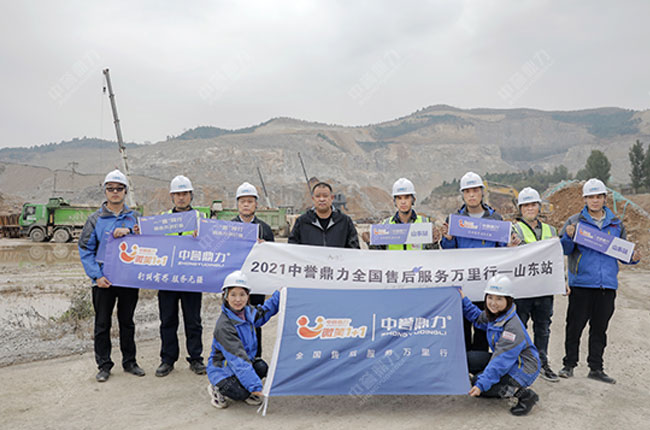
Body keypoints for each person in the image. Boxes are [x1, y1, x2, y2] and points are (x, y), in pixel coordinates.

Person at [558, 178, 641, 383]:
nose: (595, 200)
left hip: (607, 285)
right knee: (574, 327)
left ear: (605, 198)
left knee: (600, 329)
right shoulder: (574, 222)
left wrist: (633, 257)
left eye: (598, 196)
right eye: (591, 197)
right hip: (582, 285)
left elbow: (622, 252)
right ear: (584, 199)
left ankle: (596, 368)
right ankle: (569, 365)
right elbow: (564, 250)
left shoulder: (616, 224)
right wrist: (568, 236)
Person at [440, 172, 518, 352]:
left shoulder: (495, 219)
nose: (472, 195)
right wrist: (449, 239)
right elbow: (449, 252)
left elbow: (501, 251)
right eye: (467, 191)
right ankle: (465, 365)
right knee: (462, 332)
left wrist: (508, 245)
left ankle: (480, 365)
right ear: (463, 194)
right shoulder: (454, 220)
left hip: (487, 287)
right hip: (463, 287)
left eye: (475, 190)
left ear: (482, 192)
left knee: (484, 331)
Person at [79, 169, 145, 382]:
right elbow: (85, 249)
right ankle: (104, 365)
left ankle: (130, 362)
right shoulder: (95, 219)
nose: (115, 192)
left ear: (125, 191)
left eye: (119, 188)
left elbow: (148, 245)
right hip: (103, 281)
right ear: (105, 191)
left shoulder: (136, 218)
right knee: (102, 324)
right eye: (111, 188)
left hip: (127, 280)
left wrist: (137, 233)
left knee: (127, 322)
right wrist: (96, 276)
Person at [460, 275, 541, 416]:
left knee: (479, 382)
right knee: (469, 359)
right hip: (508, 361)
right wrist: (463, 299)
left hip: (522, 368)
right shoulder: (496, 314)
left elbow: (501, 360)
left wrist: (481, 385)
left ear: (508, 300)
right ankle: (492, 380)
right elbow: (477, 318)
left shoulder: (512, 328)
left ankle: (524, 394)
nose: (493, 303)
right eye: (490, 297)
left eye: (499, 299)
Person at [155, 175, 206, 377]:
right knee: (167, 321)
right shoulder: (163, 219)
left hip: (191, 279)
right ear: (172, 196)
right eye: (177, 194)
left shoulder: (201, 219)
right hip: (167, 279)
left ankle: (196, 358)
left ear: (191, 195)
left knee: (193, 321)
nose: (181, 197)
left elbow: (212, 244)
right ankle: (167, 359)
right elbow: (152, 242)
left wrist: (201, 236)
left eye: (185, 193)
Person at [206, 271, 280, 409]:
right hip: (223, 369)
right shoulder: (224, 326)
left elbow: (266, 311)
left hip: (243, 362)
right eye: (233, 294)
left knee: (261, 367)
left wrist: (281, 294)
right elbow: (238, 360)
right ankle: (217, 387)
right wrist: (255, 387)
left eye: (242, 294)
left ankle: (245, 387)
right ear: (225, 296)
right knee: (240, 393)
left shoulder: (248, 313)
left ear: (248, 296)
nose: (238, 299)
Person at [512, 187, 559, 382]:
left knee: (543, 327)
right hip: (522, 289)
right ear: (520, 208)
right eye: (526, 205)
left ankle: (542, 362)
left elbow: (556, 259)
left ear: (539, 207)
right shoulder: (514, 230)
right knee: (519, 327)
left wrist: (562, 281)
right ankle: (523, 363)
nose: (530, 208)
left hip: (544, 288)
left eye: (533, 204)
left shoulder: (551, 230)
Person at [231, 181, 274, 358]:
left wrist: (265, 247)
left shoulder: (265, 229)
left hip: (256, 284)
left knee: (254, 319)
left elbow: (273, 257)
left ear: (256, 204)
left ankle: (256, 357)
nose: (246, 205)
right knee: (233, 321)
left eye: (250, 201)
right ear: (237, 204)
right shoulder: (229, 228)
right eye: (243, 201)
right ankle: (234, 357)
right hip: (234, 284)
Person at [361, 177, 440, 250]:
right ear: (394, 201)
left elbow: (431, 254)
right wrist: (370, 242)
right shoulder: (386, 225)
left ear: (413, 200)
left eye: (406, 197)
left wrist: (434, 242)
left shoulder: (425, 224)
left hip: (417, 261)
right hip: (393, 261)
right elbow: (379, 254)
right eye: (399, 198)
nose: (403, 202)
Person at [288, 181, 359, 248]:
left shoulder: (345, 221)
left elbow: (354, 248)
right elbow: (292, 248)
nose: (321, 199)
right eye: (318, 196)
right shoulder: (302, 221)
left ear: (332, 198)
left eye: (325, 196)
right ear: (313, 199)